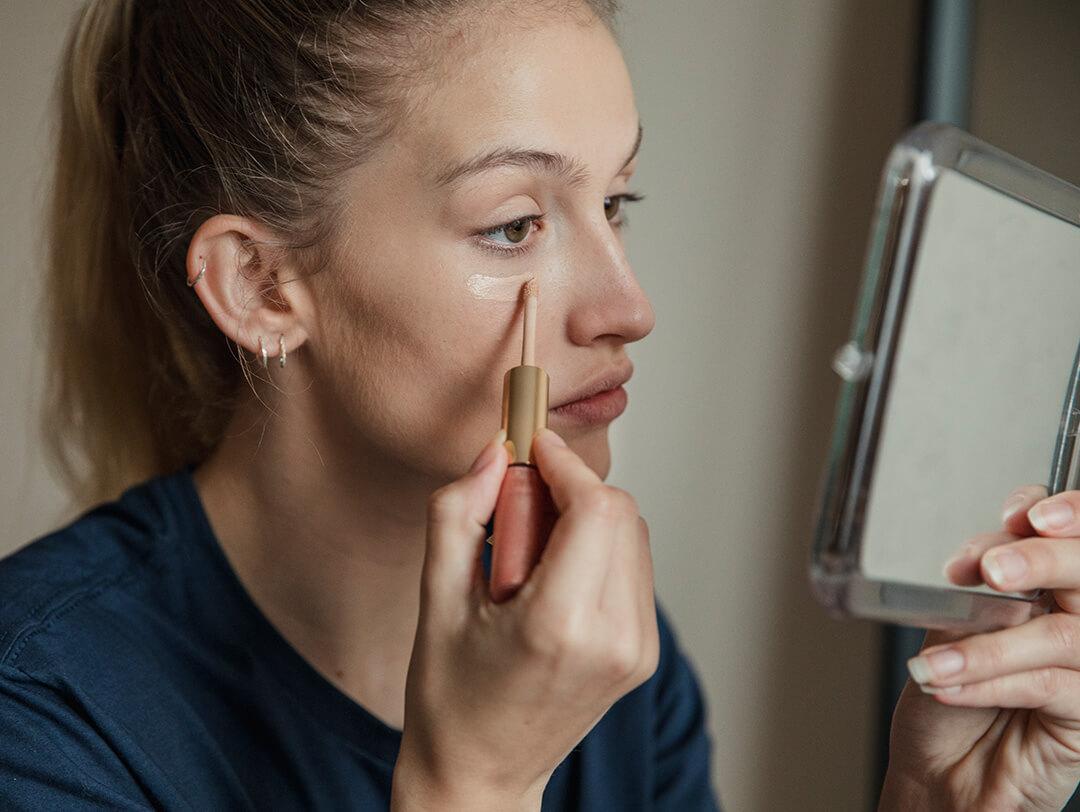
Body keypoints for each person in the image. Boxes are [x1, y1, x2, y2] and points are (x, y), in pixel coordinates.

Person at [3, 1, 1080, 810]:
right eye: (515, 223)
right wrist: (471, 778)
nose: (630, 305)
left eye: (615, 202)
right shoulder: (43, 715)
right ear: (260, 286)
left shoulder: (605, 651)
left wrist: (941, 801)